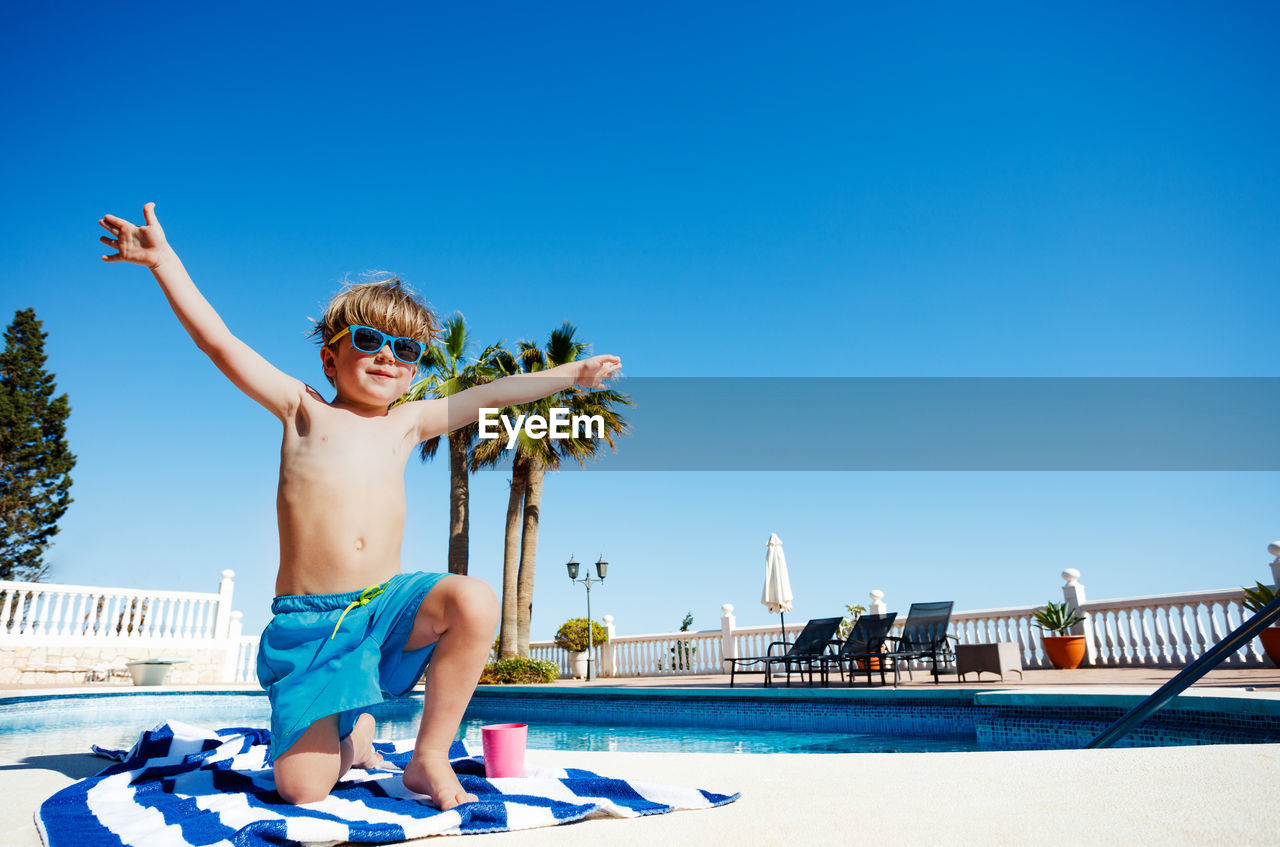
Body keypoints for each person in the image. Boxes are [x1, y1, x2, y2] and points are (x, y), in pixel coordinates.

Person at [98, 203, 621, 809]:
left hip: (382, 611)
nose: (388, 356)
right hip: (311, 626)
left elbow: (489, 395)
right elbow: (219, 343)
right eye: (369, 340)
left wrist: (569, 374)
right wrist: (165, 262)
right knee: (302, 791)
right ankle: (353, 723)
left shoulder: (407, 425)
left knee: (472, 598)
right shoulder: (303, 410)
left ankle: (428, 758)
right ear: (330, 358)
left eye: (406, 351)